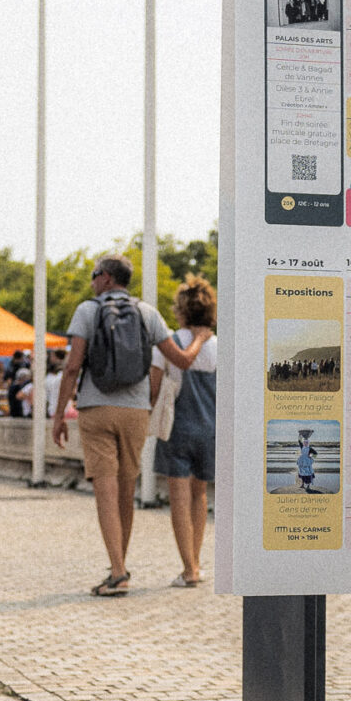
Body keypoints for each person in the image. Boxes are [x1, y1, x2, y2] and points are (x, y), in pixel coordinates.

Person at [52, 254, 203, 596]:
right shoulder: (148, 313)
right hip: (136, 411)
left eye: (94, 275)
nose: (92, 281)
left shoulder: (87, 311)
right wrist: (200, 338)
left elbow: (72, 367)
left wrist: (59, 415)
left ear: (106, 277)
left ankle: (118, 571)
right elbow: (182, 360)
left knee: (105, 491)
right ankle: (118, 564)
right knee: (126, 489)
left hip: (96, 408)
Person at [153, 275, 219, 587]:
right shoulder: (218, 346)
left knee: (178, 498)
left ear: (181, 310)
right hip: (210, 427)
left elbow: (154, 386)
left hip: (178, 426)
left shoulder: (170, 342)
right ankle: (197, 562)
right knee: (200, 494)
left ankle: (188, 568)